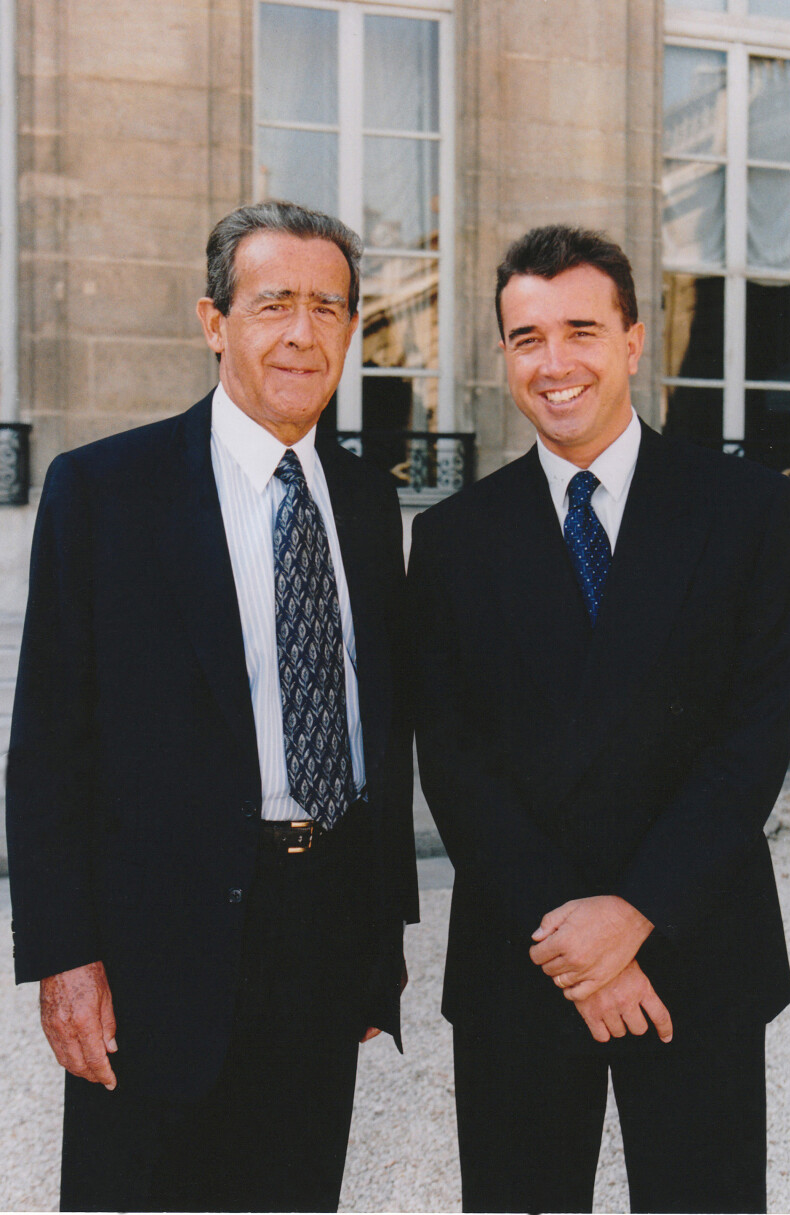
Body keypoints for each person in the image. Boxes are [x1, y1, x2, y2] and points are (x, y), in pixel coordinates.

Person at [6, 199, 418, 1213]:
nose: (302, 332)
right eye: (273, 302)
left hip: (323, 935)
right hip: (155, 953)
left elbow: (380, 726)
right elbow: (50, 741)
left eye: (328, 307)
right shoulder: (106, 491)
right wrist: (63, 955)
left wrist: (377, 946)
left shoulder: (366, 504)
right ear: (212, 321)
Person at [409, 224, 790, 1214]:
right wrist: (574, 944)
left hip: (696, 944)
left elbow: (752, 743)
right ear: (503, 355)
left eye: (580, 329)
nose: (554, 364)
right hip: (524, 954)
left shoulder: (746, 508)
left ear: (634, 339)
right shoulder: (454, 537)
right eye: (525, 337)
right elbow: (451, 756)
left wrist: (631, 915)